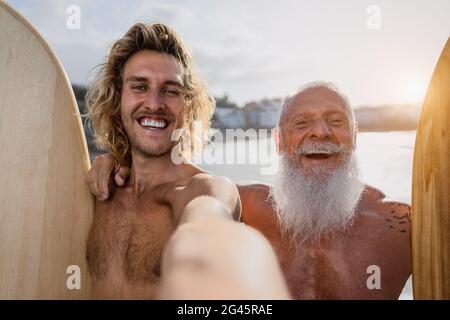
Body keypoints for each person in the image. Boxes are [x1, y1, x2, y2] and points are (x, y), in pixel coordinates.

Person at [88, 81, 412, 299]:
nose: (320, 131)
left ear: (355, 136)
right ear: (278, 141)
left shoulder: (401, 227)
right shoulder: (246, 206)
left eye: (336, 121)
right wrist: (122, 166)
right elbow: (176, 187)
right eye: (301, 123)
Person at [84, 22, 289, 299]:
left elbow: (208, 224)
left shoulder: (203, 189)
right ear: (118, 97)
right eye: (140, 86)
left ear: (189, 104)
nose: (154, 103)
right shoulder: (97, 189)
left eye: (170, 90)